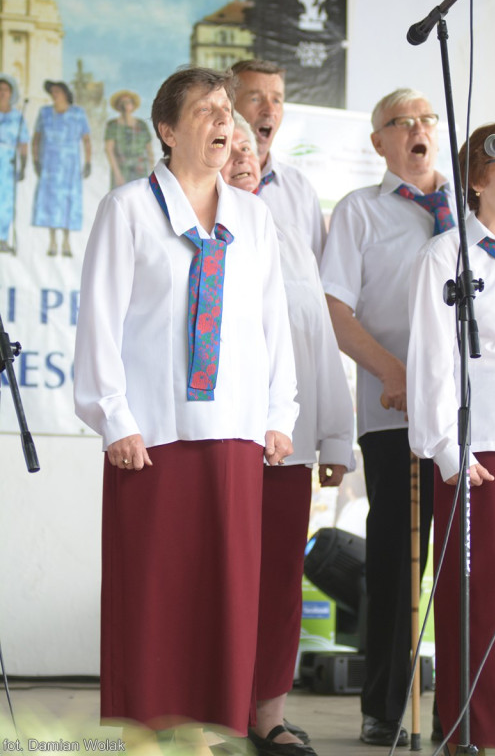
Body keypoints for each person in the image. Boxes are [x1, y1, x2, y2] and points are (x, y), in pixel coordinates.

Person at [73, 67, 298, 743]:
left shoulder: (253, 219)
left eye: (226, 108)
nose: (223, 119)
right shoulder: (128, 210)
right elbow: (100, 326)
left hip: (234, 435)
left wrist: (277, 416)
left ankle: (219, 732)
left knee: (227, 602)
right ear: (167, 131)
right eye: (205, 110)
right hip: (153, 438)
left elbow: (273, 326)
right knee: (155, 599)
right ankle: (147, 735)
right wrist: (114, 419)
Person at [320, 88, 455, 747]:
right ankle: (385, 709)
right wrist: (392, 371)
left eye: (427, 119)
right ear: (379, 141)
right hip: (394, 412)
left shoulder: (471, 210)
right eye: (401, 122)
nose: (418, 129)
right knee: (399, 560)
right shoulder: (359, 213)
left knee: (469, 562)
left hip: (473, 419)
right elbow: (335, 310)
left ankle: (467, 703)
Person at [221, 113, 355, 756]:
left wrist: (335, 438)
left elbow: (316, 339)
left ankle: (267, 712)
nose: (244, 155)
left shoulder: (288, 236)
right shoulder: (185, 231)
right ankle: (211, 711)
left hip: (286, 444)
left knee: (276, 580)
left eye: (250, 145)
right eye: (229, 146)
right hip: (214, 440)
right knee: (217, 577)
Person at [407, 121, 495, 752]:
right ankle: (478, 732)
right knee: (483, 600)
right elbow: (430, 361)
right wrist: (447, 448)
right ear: (475, 180)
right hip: (483, 452)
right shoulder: (447, 256)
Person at [231, 59, 325, 265]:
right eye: (255, 99)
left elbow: (318, 272)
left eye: (276, 100)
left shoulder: (300, 189)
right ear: (228, 106)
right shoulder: (205, 184)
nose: (269, 110)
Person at [32, 80, 91, 257]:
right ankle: (52, 241)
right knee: (51, 201)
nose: (54, 94)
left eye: (58, 91)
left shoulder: (78, 113)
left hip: (70, 165)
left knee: (68, 200)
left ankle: (66, 242)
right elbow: (36, 138)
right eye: (52, 91)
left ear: (65, 93)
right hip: (50, 163)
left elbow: (86, 139)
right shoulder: (45, 113)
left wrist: (88, 162)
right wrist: (36, 160)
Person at [0, 73, 28, 253]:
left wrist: (23, 166)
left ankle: (2, 238)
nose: (2, 93)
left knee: (5, 201)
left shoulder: (17, 117)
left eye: (5, 90)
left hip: (7, 162)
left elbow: (23, 143)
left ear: (11, 93)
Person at [104, 89, 154, 189]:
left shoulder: (141, 124)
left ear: (133, 105)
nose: (125, 105)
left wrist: (153, 171)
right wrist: (117, 174)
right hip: (121, 169)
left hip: (140, 169)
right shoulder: (113, 125)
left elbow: (149, 150)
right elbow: (109, 150)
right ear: (118, 105)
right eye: (122, 102)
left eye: (128, 102)